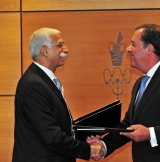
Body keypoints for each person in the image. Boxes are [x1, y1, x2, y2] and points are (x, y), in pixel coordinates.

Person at [87, 24, 160, 162]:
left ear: (149, 48)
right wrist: (104, 145)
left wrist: (150, 134)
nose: (128, 49)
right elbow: (129, 125)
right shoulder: (140, 83)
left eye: (133, 44)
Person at [12, 27, 103, 162]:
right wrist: (87, 149)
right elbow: (51, 135)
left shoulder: (43, 80)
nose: (66, 49)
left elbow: (56, 126)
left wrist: (83, 137)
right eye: (60, 45)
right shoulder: (34, 84)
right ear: (45, 50)